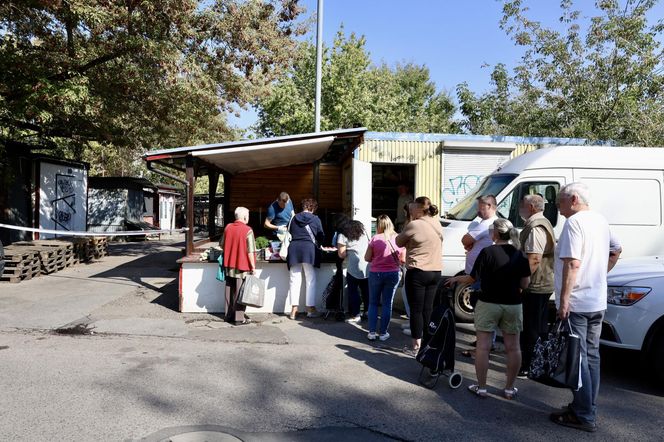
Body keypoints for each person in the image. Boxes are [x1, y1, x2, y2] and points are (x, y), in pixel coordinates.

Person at [549, 182, 621, 433]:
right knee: (591, 357)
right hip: (596, 300)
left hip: (577, 302)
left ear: (574, 199)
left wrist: (565, 300)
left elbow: (572, 264)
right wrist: (601, 274)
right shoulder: (600, 220)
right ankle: (585, 406)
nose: (558, 207)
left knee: (578, 359)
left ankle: (584, 414)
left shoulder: (574, 223)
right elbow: (616, 249)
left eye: (560, 201)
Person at [446, 218, 531, 400]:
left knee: (483, 347)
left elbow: (471, 279)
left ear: (495, 234)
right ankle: (509, 388)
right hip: (513, 305)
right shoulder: (520, 254)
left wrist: (455, 280)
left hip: (488, 303)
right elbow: (525, 283)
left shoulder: (487, 252)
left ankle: (482, 387)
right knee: (514, 347)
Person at [396, 196, 443, 356]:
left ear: (418, 209)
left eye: (412, 208)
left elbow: (398, 241)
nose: (410, 210)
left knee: (416, 310)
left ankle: (416, 346)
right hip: (436, 271)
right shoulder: (437, 223)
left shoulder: (414, 224)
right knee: (428, 309)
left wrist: (409, 221)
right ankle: (428, 344)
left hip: (418, 272)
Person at [518, 194, 556, 378]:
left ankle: (528, 365)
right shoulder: (539, 223)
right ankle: (539, 363)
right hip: (542, 283)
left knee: (531, 327)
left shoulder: (536, 227)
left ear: (532, 207)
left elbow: (534, 259)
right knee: (538, 326)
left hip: (536, 284)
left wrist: (523, 281)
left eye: (523, 205)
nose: (520, 208)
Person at [461, 194, 499, 350]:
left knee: (482, 311)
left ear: (489, 206)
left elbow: (465, 240)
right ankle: (487, 341)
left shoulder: (486, 224)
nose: (477, 210)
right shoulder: (495, 223)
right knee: (485, 310)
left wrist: (471, 243)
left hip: (481, 275)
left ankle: (485, 344)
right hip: (484, 274)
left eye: (480, 207)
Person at [364, 215, 405, 341]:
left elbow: (367, 258)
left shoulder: (375, 239)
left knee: (373, 303)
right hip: (393, 273)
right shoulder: (399, 238)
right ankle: (383, 333)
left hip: (376, 273)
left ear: (378, 225)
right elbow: (403, 260)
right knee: (387, 303)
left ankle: (371, 332)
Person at [286, 198, 325, 320]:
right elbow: (321, 235)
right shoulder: (316, 219)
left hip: (294, 250)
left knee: (294, 279)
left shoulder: (293, 218)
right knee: (310, 279)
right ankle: (310, 309)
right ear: (312, 208)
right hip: (309, 250)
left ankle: (294, 310)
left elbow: (290, 232)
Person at [220, 207, 256, 325]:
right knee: (241, 292)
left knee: (229, 290)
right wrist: (253, 267)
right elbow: (250, 251)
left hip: (229, 265)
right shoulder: (248, 230)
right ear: (245, 217)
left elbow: (221, 245)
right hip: (242, 266)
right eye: (248, 216)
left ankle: (228, 315)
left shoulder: (228, 228)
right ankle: (239, 318)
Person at [337, 220, 370, 323]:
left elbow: (341, 254)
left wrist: (348, 250)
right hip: (366, 266)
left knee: (353, 291)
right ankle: (368, 312)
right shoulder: (363, 232)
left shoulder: (343, 234)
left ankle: (356, 315)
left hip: (353, 267)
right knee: (366, 291)